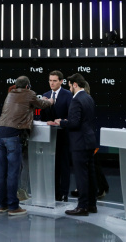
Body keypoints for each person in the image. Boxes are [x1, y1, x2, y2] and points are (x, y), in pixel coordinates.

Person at [0, 76, 53, 216]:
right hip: (13, 135)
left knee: (2, 173)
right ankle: (13, 206)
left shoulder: (11, 94)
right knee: (13, 173)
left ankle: (2, 205)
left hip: (0, 134)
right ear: (28, 86)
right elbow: (42, 105)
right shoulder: (29, 93)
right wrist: (51, 100)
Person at [49, 73, 97, 216]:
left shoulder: (76, 100)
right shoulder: (88, 97)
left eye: (69, 85)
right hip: (89, 141)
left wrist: (61, 122)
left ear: (75, 84)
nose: (69, 88)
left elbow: (75, 123)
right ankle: (91, 204)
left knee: (81, 175)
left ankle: (82, 207)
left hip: (79, 143)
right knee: (89, 174)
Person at [70, 81, 109, 199]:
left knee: (88, 167)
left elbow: (76, 121)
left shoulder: (80, 99)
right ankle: (94, 193)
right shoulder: (87, 99)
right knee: (90, 166)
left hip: (83, 138)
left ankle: (91, 194)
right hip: (88, 137)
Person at [40, 70, 72, 202]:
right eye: (50, 80)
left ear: (61, 81)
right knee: (52, 165)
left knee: (64, 165)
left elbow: (71, 115)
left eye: (54, 80)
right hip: (49, 136)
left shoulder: (68, 95)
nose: (51, 83)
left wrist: (61, 121)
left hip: (64, 135)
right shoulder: (45, 95)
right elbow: (42, 117)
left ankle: (64, 193)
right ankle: (54, 192)